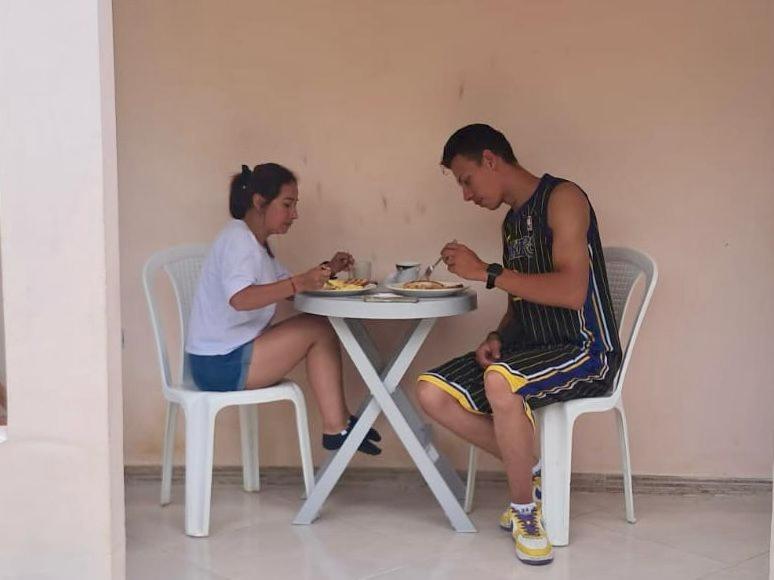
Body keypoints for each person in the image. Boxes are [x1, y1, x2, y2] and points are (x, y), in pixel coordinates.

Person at [416, 124, 621, 564]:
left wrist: (485, 271)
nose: (466, 195)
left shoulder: (564, 198)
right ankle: (535, 474)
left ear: (491, 160)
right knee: (430, 392)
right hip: (531, 348)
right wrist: (498, 336)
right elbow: (522, 298)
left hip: (585, 349)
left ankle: (526, 512)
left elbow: (570, 291)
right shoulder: (512, 222)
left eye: (466, 180)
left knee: (500, 382)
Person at [185, 163, 381, 454]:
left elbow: (288, 288)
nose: (295, 215)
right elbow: (241, 298)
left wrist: (329, 269)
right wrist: (299, 282)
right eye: (287, 204)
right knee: (318, 329)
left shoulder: (257, 244)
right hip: (219, 364)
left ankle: (338, 425)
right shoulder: (239, 240)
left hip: (229, 355)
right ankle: (337, 427)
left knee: (319, 326)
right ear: (259, 202)